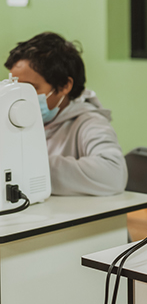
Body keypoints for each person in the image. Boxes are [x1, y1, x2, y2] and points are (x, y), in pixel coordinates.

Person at [4, 32, 128, 196]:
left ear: (64, 86)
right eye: (14, 87)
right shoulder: (11, 120)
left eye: (30, 89)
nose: (20, 97)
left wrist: (30, 169)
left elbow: (113, 175)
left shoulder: (90, 123)